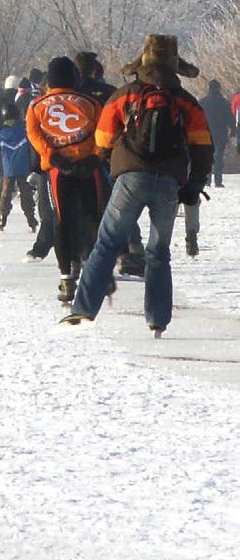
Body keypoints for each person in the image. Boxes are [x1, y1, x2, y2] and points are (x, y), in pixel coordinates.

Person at [64, 34, 213, 335]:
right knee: (158, 252)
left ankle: (82, 310)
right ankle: (157, 319)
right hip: (169, 184)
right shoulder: (185, 102)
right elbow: (202, 146)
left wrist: (114, 161)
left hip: (130, 178)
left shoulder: (125, 94)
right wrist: (194, 184)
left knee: (107, 243)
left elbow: (103, 138)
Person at [26, 57, 104, 304]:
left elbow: (34, 136)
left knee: (62, 220)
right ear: (74, 77)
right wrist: (95, 158)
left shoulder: (37, 105)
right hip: (88, 168)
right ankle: (95, 274)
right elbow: (104, 133)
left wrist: (53, 159)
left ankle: (66, 278)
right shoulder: (91, 103)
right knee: (94, 218)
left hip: (59, 172)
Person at [0, 98, 35, 231]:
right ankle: (31, 218)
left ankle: (3, 217)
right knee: (26, 195)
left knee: (5, 195)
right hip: (24, 169)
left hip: (8, 171)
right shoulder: (26, 132)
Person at [199, 79, 233, 189]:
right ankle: (218, 181)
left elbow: (197, 120)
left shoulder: (202, 102)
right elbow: (230, 119)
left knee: (207, 157)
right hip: (221, 134)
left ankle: (207, 180)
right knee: (219, 158)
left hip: (205, 134)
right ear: (219, 89)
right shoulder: (224, 103)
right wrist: (233, 130)